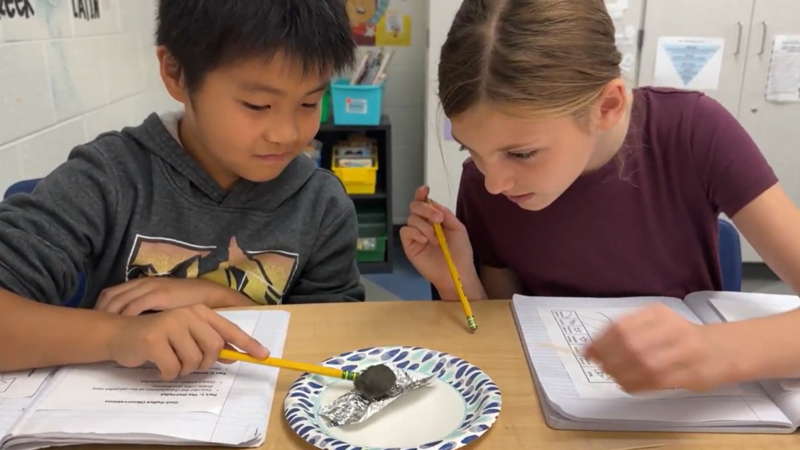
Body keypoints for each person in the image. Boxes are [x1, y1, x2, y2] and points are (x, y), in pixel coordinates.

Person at [401, 0, 800, 394]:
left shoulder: (695, 132)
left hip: (688, 409)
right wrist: (460, 278)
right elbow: (502, 329)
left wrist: (712, 350)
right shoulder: (485, 181)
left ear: (607, 105)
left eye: (522, 153)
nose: (494, 183)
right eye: (468, 148)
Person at [0, 0, 364, 379]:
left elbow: (330, 346)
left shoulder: (321, 205)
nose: (286, 134)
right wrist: (119, 335)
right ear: (176, 73)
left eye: (309, 102)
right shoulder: (110, 178)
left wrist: (222, 300)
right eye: (258, 105)